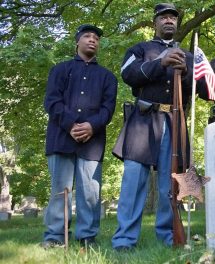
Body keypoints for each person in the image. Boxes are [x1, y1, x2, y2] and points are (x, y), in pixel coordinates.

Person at [111, 3, 193, 250]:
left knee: (172, 183)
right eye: (164, 17)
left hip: (175, 121)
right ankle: (125, 240)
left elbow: (200, 89)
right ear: (155, 22)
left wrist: (186, 71)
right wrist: (161, 63)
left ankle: (168, 237)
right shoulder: (140, 49)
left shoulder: (188, 54)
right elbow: (129, 75)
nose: (169, 21)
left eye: (173, 18)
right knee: (134, 180)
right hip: (143, 122)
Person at [42, 24, 117, 248]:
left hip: (92, 143)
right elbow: (52, 102)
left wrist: (91, 126)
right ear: (77, 42)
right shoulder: (59, 70)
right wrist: (71, 124)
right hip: (60, 138)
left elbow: (108, 109)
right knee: (60, 191)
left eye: (96, 38)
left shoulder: (108, 77)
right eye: (87, 36)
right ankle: (55, 237)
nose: (92, 40)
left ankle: (87, 237)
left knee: (90, 193)